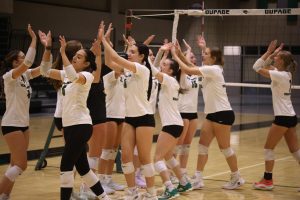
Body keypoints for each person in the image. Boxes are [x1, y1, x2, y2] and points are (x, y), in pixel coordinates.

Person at [38, 28, 109, 200]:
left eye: (78, 57)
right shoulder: (67, 75)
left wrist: (62, 52)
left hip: (81, 125)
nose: (74, 58)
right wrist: (48, 49)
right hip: (69, 126)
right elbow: (44, 71)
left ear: (86, 63)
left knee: (65, 165)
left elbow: (72, 74)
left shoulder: (87, 75)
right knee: (83, 168)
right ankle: (105, 198)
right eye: (74, 56)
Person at [171, 37, 245, 190]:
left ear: (214, 58)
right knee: (202, 146)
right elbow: (191, 65)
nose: (202, 55)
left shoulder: (214, 69)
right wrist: (178, 52)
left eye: (206, 54)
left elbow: (189, 69)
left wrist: (176, 56)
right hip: (211, 114)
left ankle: (236, 177)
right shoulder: (208, 70)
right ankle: (198, 178)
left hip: (223, 113)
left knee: (225, 148)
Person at [102, 22, 157, 200]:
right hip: (129, 118)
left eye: (133, 52)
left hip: (144, 118)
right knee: (125, 157)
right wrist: (104, 41)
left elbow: (117, 59)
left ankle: (151, 193)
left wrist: (104, 40)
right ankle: (132, 191)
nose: (129, 53)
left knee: (144, 157)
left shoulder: (142, 69)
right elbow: (110, 61)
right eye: (129, 51)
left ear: (142, 56)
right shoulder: (126, 69)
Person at [252, 40, 299, 191]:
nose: (274, 58)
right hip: (290, 116)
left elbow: (257, 67)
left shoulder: (280, 75)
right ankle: (266, 180)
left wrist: (268, 52)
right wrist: (272, 53)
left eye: (277, 57)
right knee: (295, 151)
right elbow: (265, 66)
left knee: (268, 149)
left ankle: (267, 180)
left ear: (282, 61)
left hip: (283, 117)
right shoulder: (285, 74)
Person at [0, 24, 39, 200]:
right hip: (11, 123)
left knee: (14, 163)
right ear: (15, 62)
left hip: (24, 124)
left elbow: (44, 68)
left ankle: (5, 195)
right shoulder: (9, 76)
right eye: (21, 58)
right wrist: (33, 39)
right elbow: (30, 62)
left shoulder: (25, 75)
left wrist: (49, 49)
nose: (25, 60)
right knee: (22, 165)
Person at [151, 43, 193, 200]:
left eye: (165, 65)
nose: (162, 65)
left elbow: (151, 70)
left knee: (157, 159)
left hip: (171, 125)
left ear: (170, 71)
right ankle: (183, 182)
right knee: (169, 157)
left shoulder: (168, 80)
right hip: (176, 124)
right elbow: (154, 70)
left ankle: (170, 188)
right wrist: (162, 55)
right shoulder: (170, 81)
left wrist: (161, 52)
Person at [97, 23, 125, 193]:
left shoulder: (127, 75)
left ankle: (108, 179)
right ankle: (100, 180)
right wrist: (105, 41)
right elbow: (109, 59)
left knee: (114, 150)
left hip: (122, 115)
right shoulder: (110, 76)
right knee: (106, 150)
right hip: (109, 115)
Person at [175, 39, 201, 178]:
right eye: (191, 56)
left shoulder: (196, 74)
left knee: (186, 145)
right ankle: (173, 172)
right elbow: (184, 65)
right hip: (182, 112)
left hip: (193, 114)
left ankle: (183, 171)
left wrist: (192, 50)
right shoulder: (182, 73)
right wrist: (184, 52)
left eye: (194, 57)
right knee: (177, 145)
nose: (194, 59)